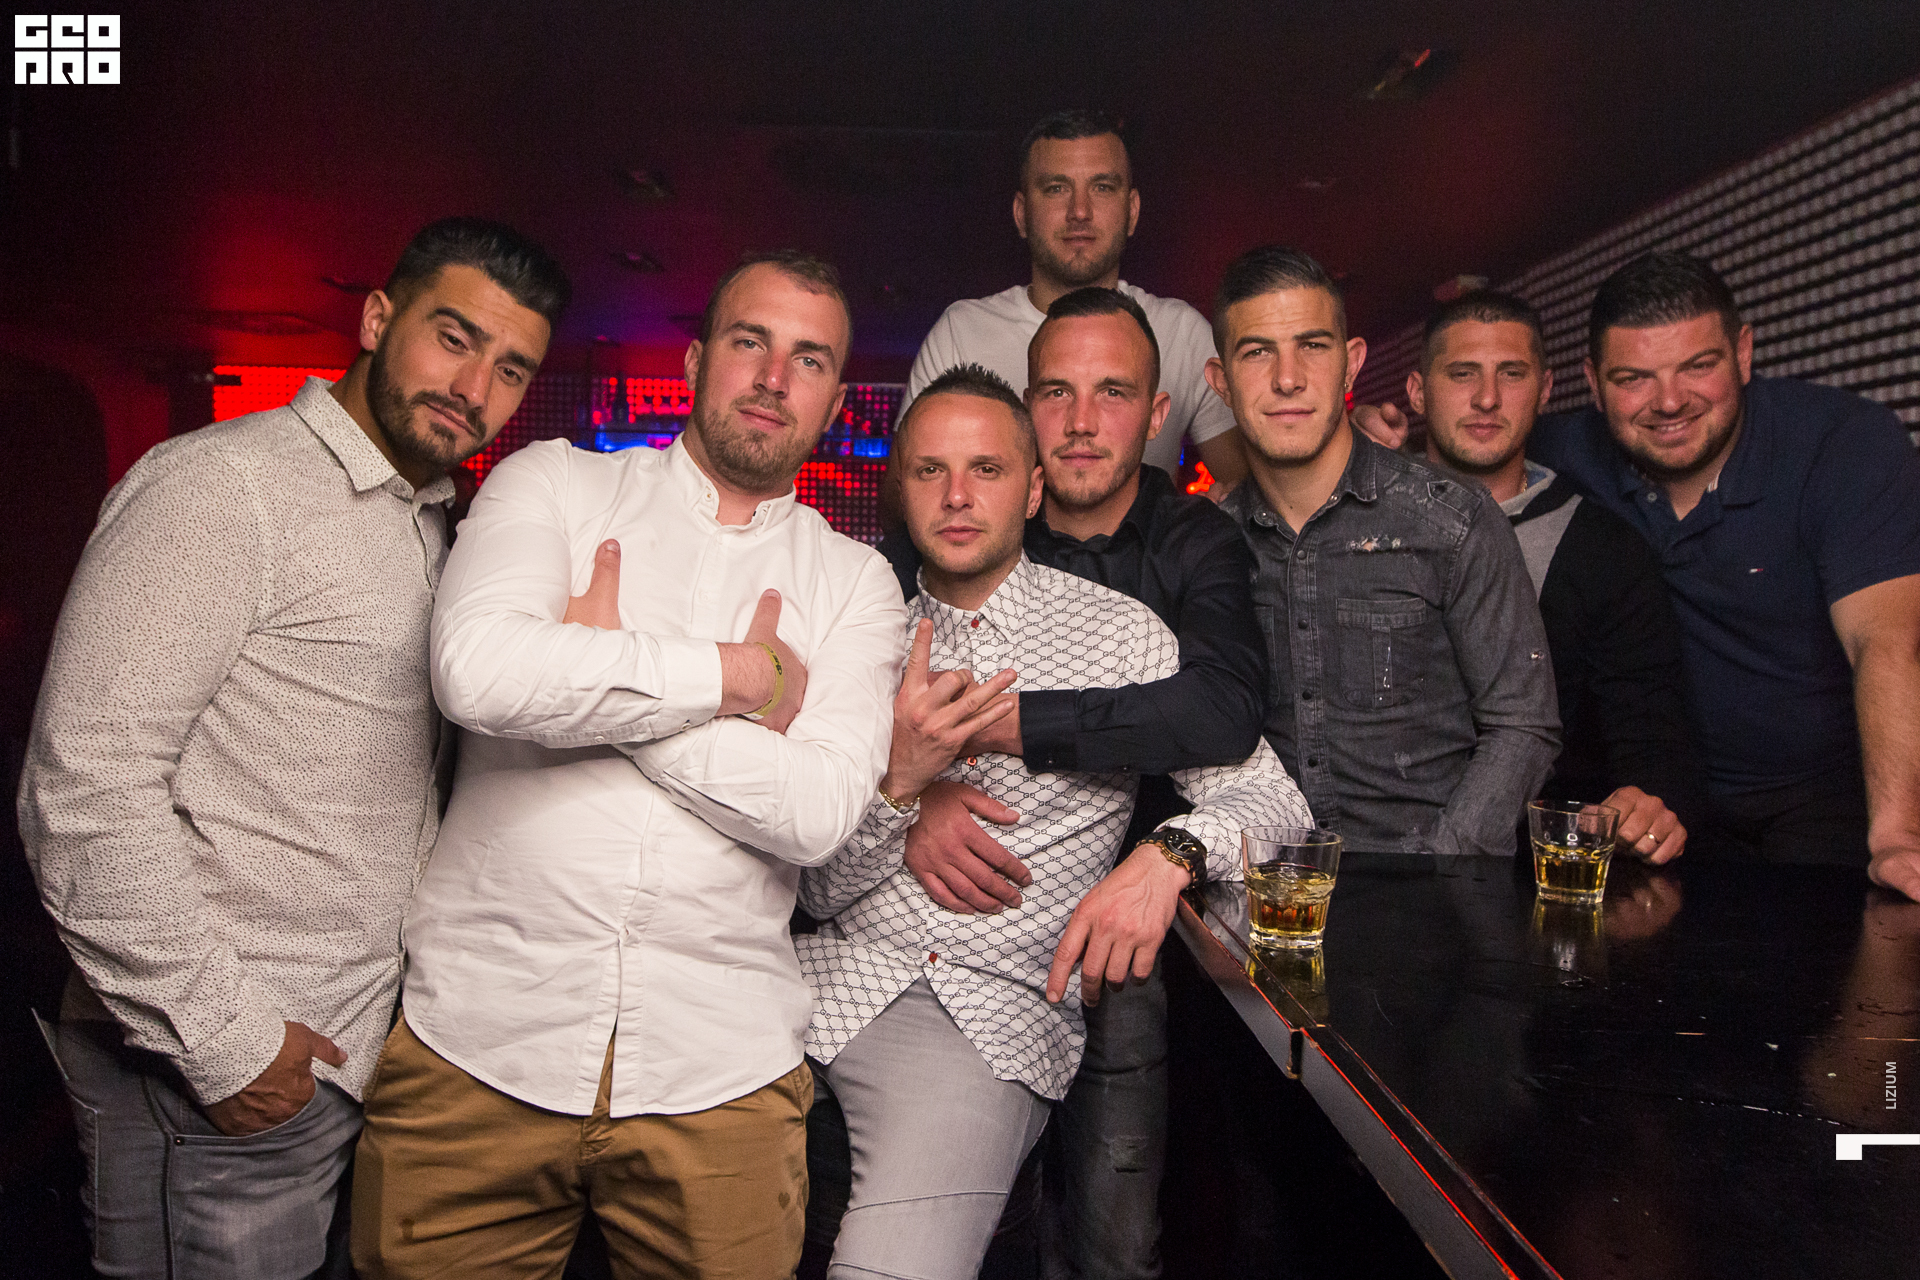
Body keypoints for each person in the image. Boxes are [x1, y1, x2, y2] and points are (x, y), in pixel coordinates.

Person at [18, 217, 567, 1279]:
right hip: (214, 1074)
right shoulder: (223, 487)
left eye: (510, 369)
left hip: (335, 1067)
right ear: (377, 318)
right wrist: (226, 1042)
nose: (474, 387)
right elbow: (84, 786)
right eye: (453, 337)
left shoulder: (434, 523)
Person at [349, 251, 909, 1279]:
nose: (773, 377)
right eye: (749, 341)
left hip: (722, 1077)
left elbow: (820, 810)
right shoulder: (554, 481)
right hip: (478, 1047)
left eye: (809, 359)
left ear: (838, 400)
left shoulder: (855, 580)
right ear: (695, 360)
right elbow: (477, 672)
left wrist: (589, 680)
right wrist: (736, 680)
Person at [795, 364, 1308, 1280]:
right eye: (930, 471)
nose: (957, 496)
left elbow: (1276, 801)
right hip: (795, 992)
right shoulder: (853, 629)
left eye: (987, 470)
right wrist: (902, 792)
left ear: (1032, 490)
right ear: (899, 488)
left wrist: (1166, 855)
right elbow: (815, 885)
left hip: (980, 1015)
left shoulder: (1120, 635)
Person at [1521, 251, 1920, 893]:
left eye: (1698, 366)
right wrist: (1376, 439)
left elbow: (1888, 642)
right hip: (1653, 801)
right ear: (1593, 384)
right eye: (1633, 379)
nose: (1669, 401)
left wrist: (1899, 835)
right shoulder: (1558, 452)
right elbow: (1462, 458)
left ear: (1743, 353)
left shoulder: (1844, 442)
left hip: (1825, 799)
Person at [1205, 245, 1560, 856]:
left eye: (1313, 346)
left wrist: (1437, 871)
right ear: (1221, 383)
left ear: (1351, 365)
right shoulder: (1211, 541)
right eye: (1257, 351)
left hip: (1427, 888)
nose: (1287, 378)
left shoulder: (1453, 521)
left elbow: (1523, 725)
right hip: (1264, 885)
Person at [1410, 289, 1698, 863]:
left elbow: (1652, 740)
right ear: (1418, 392)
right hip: (1364, 852)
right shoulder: (1355, 517)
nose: (1487, 397)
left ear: (1545, 389)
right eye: (1463, 373)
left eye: (1511, 374)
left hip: (1536, 866)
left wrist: (1644, 806)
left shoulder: (1603, 548)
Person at [908, 109, 1247, 490]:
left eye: (1102, 187)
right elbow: (905, 495)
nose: (1080, 212)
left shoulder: (1182, 333)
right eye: (1056, 188)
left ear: (1132, 211)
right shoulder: (962, 333)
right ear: (1021, 214)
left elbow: (1252, 495)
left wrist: (1196, 521)